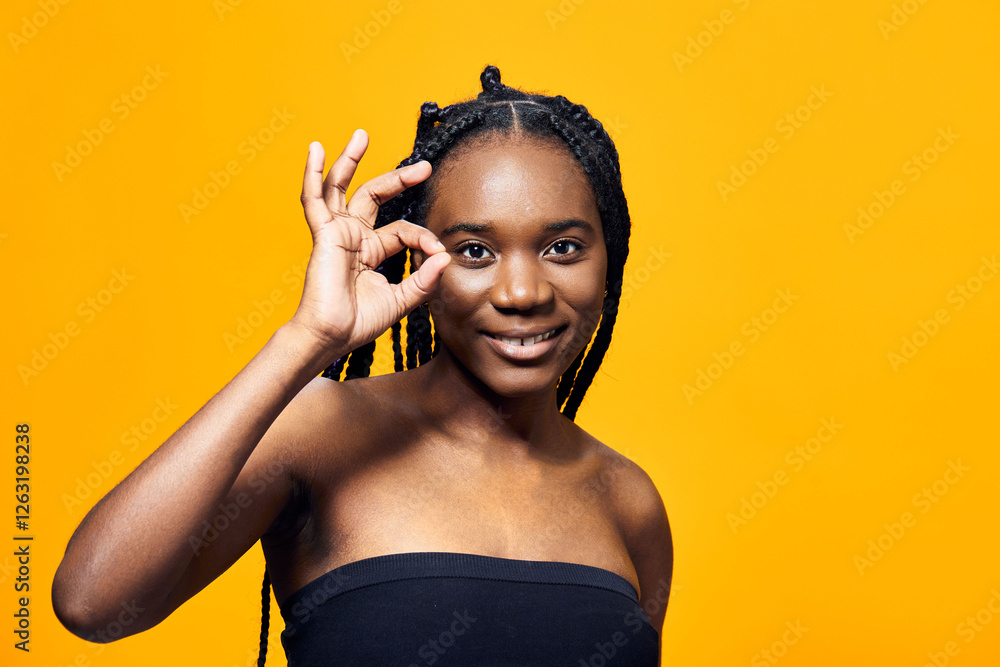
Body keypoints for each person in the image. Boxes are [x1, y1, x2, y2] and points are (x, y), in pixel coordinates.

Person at [52, 65, 673, 666]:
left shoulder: (628, 500)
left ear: (609, 257)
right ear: (413, 251)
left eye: (562, 247)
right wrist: (308, 339)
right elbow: (92, 602)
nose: (521, 292)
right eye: (474, 251)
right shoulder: (320, 431)